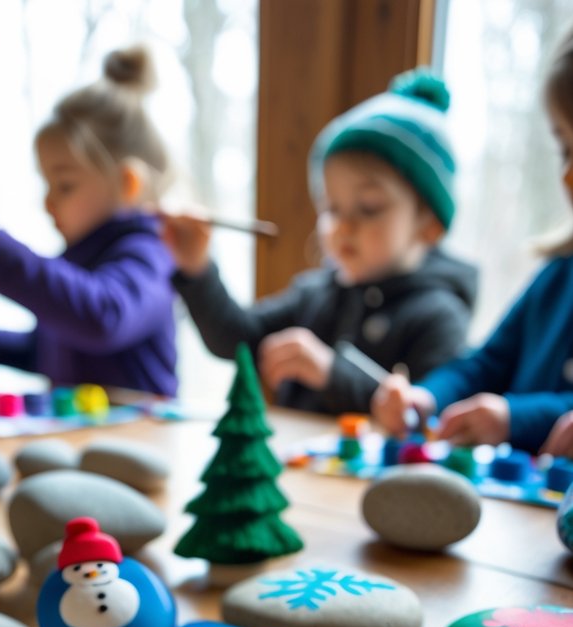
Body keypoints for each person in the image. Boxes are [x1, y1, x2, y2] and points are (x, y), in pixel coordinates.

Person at [161, 69, 477, 415]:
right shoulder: (316, 294)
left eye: (368, 208)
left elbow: (427, 419)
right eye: (331, 208)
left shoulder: (438, 315)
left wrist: (332, 374)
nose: (342, 226)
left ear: (429, 224)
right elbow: (235, 338)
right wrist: (197, 267)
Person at [373, 26, 573, 453]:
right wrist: (426, 398)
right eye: (566, 150)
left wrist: (514, 417)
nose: (567, 175)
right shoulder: (557, 276)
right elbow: (485, 364)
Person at [0, 47, 178, 396]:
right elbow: (50, 351)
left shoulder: (150, 254)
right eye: (47, 184)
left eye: (64, 185)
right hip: (82, 441)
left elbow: (101, 319)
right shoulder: (76, 259)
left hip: (142, 442)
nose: (47, 201)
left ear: (126, 183)